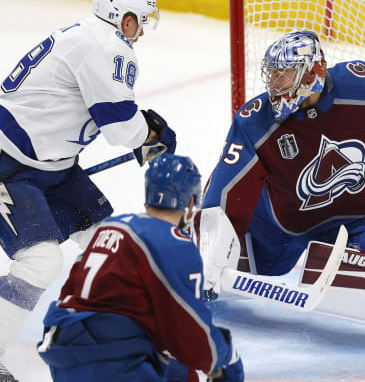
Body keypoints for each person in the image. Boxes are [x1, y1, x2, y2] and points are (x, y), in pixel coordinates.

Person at [0, 0, 176, 380]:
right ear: (125, 17)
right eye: (140, 21)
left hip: (53, 168)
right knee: (40, 261)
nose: (142, 32)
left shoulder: (87, 35)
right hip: (9, 166)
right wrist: (148, 133)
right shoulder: (107, 47)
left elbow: (113, 117)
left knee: (109, 240)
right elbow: (120, 129)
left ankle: (125, 341)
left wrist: (141, 131)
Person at [196, 29, 365, 295]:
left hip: (361, 219)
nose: (274, 84)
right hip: (284, 227)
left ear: (312, 72)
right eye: (272, 74)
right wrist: (207, 258)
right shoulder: (255, 121)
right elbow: (224, 192)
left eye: (283, 74)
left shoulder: (363, 87)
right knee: (235, 283)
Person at [37, 154, 244, 382]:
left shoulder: (111, 228)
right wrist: (226, 354)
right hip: (114, 360)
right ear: (191, 201)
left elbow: (70, 289)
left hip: (64, 350)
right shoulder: (174, 243)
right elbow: (188, 330)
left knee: (179, 372)